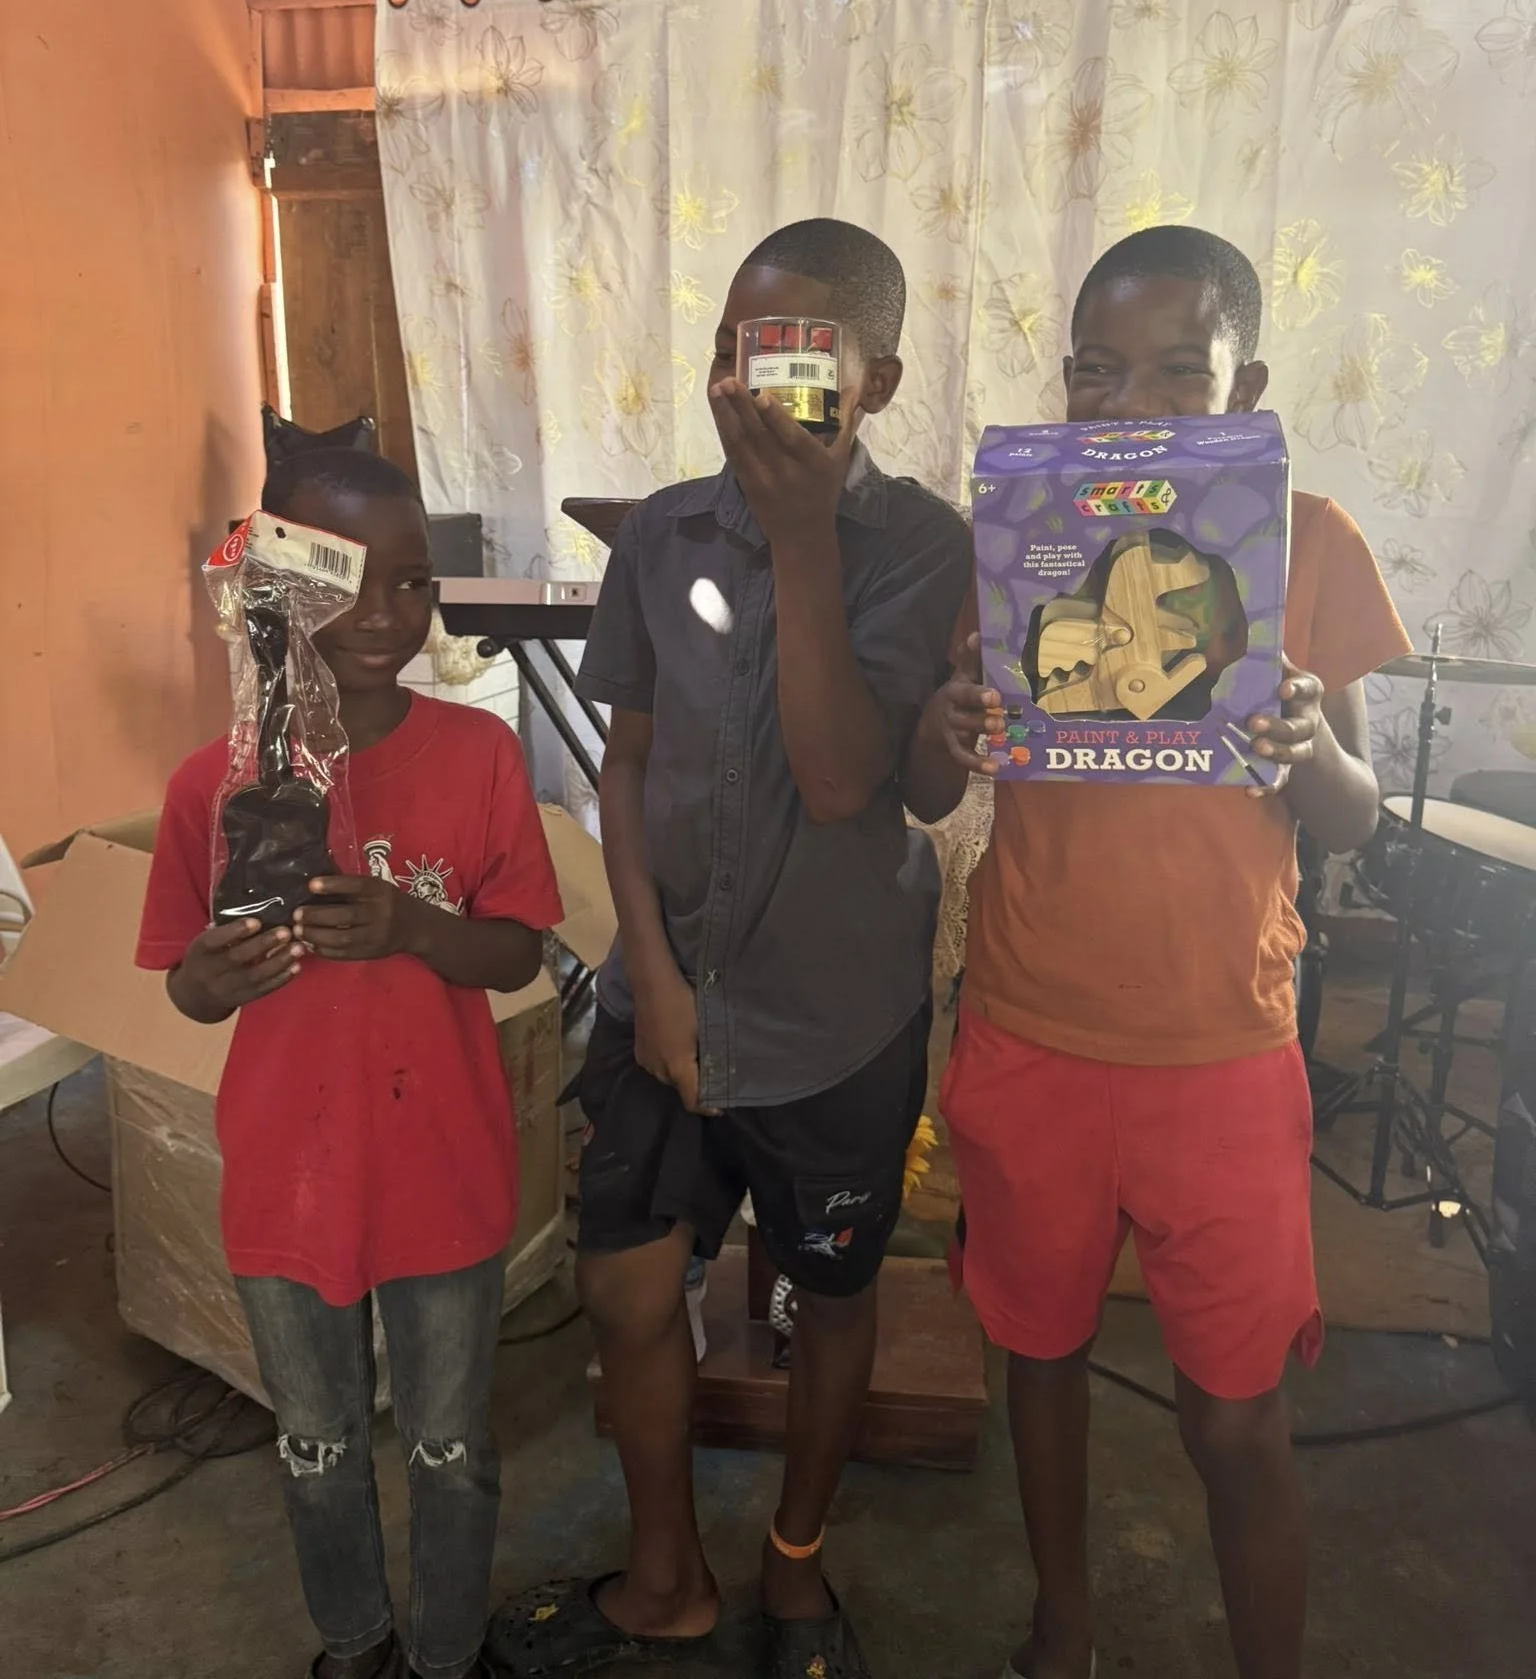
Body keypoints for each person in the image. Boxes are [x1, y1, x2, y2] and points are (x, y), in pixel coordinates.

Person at [903, 226, 1411, 1679]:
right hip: (1028, 1027)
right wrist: (942, 737)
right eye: (1097, 371)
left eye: (1179, 371)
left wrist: (1308, 750)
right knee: (1041, 1354)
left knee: (1236, 1414)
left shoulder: (1306, 540)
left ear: (1246, 388)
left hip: (1223, 1052)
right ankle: (1062, 1628)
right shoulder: (1022, 536)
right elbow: (942, 787)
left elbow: (1359, 819)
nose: (1132, 401)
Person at [492, 220, 970, 1679]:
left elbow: (843, 782)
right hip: (663, 997)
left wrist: (806, 535)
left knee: (830, 1301)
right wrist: (647, 973)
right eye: (730, 346)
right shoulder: (658, 536)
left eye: (795, 355)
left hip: (836, 1018)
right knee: (634, 1292)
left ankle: (795, 1558)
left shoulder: (926, 547)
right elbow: (623, 764)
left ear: (873, 380)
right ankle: (664, 1574)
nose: (744, 382)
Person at [136, 449, 564, 1679]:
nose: (385, 615)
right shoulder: (212, 788)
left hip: (443, 1167)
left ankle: (441, 1649)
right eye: (344, 582)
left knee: (449, 1444)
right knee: (314, 1441)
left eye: (414, 581)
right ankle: (353, 1641)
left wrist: (413, 926)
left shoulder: (480, 758)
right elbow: (185, 980)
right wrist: (212, 978)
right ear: (271, 590)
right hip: (287, 1180)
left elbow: (517, 950)